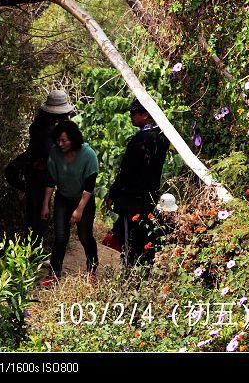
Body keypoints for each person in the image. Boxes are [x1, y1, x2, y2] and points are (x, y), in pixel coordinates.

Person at [105, 98, 170, 268]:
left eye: (133, 113)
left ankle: (129, 270)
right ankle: (142, 269)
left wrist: (113, 193)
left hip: (132, 198)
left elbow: (126, 170)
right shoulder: (163, 137)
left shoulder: (140, 139)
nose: (130, 116)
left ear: (145, 114)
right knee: (145, 235)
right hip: (150, 196)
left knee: (130, 236)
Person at [41, 120, 99, 280]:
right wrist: (45, 204)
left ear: (73, 139)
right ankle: (54, 273)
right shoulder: (55, 152)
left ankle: (92, 268)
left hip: (83, 200)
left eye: (64, 140)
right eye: (58, 140)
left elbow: (89, 186)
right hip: (63, 198)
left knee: (85, 236)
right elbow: (50, 180)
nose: (61, 144)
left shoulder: (88, 155)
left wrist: (79, 209)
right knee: (60, 237)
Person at [24, 89, 75, 244]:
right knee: (39, 215)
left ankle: (30, 252)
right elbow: (48, 154)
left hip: (35, 175)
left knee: (34, 212)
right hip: (39, 176)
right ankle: (32, 254)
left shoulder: (40, 124)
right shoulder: (47, 130)